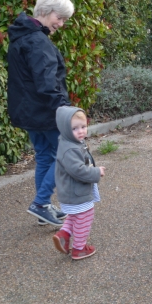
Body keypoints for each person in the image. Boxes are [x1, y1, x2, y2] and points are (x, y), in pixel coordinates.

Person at [7, 0, 74, 227]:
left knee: (45, 156)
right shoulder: (37, 41)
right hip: (46, 111)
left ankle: (42, 208)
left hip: (28, 111)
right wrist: (66, 111)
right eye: (60, 17)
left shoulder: (21, 36)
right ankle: (40, 202)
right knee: (65, 155)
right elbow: (47, 83)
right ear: (45, 11)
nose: (61, 23)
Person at [51, 107, 105, 260]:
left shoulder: (71, 142)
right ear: (65, 129)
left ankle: (64, 234)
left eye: (83, 127)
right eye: (74, 128)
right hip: (75, 192)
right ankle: (79, 248)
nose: (80, 131)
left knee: (75, 216)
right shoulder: (70, 149)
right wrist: (96, 171)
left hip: (72, 192)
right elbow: (78, 171)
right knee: (85, 216)